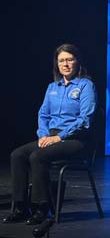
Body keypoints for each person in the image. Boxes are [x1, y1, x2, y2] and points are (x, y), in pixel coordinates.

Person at [2, 43, 97, 225]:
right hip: (51, 136)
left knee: (38, 157)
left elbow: (85, 119)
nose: (65, 64)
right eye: (61, 61)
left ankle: (41, 208)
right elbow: (43, 114)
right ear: (57, 64)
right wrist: (43, 135)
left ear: (77, 62)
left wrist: (59, 137)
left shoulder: (86, 86)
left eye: (69, 59)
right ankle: (20, 208)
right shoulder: (52, 87)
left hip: (75, 140)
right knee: (17, 155)